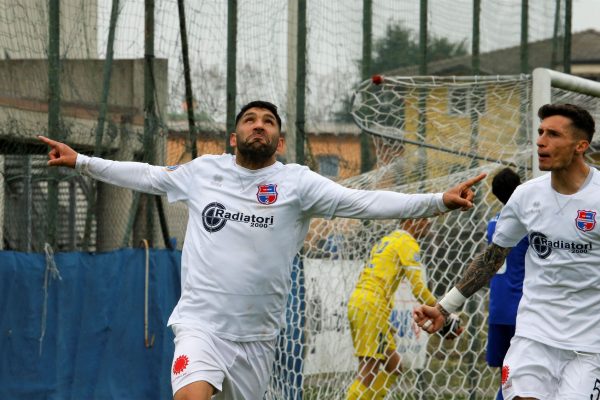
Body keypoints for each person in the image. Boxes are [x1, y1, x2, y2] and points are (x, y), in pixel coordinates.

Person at [39, 100, 485, 400]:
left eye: (268, 122)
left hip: (257, 338)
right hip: (201, 326)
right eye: (250, 120)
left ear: (280, 140)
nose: (259, 125)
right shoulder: (202, 172)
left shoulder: (298, 183)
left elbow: (364, 202)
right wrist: (82, 160)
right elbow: (148, 175)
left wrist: (437, 201)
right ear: (233, 137)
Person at [414, 103, 600, 400]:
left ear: (580, 145)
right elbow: (492, 257)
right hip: (533, 335)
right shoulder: (526, 196)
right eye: (540, 132)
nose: (540, 141)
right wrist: (443, 307)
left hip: (590, 345)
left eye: (553, 134)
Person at [346, 218, 463, 400]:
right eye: (424, 218)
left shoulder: (388, 239)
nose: (428, 222)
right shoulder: (407, 242)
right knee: (369, 369)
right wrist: (443, 310)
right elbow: (418, 287)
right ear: (410, 220)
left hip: (364, 303)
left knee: (394, 366)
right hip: (371, 307)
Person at [486, 168, 528, 400]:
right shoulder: (527, 223)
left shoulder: (492, 224)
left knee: (507, 373)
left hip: (497, 307)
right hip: (521, 308)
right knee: (520, 375)